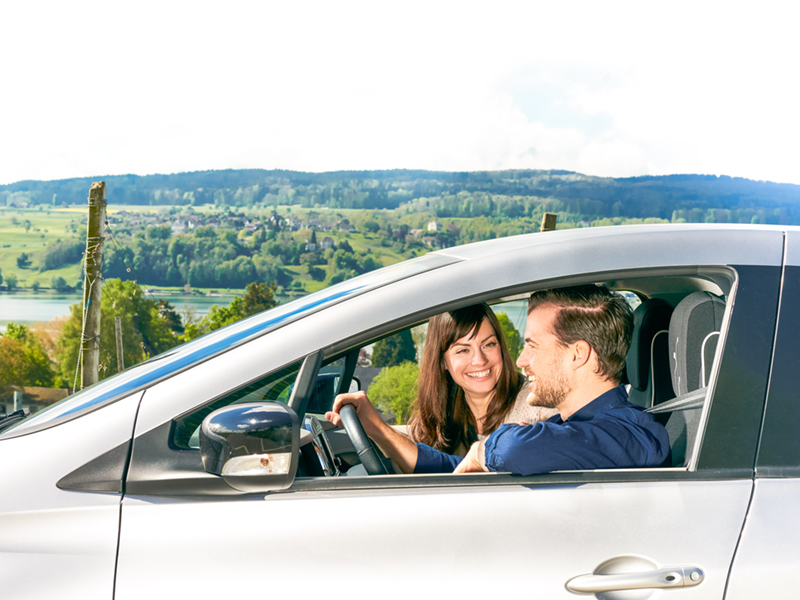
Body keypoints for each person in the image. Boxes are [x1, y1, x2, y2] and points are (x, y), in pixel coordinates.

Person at [453, 284, 671, 475]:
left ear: (578, 354)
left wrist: (482, 450)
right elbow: (482, 465)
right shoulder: (568, 428)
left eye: (533, 346)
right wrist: (421, 456)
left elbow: (512, 449)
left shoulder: (632, 435)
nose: (521, 360)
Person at [326, 303, 555, 473]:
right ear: (443, 361)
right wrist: (371, 428)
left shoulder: (535, 403)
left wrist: (379, 428)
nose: (480, 360)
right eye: (462, 350)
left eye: (489, 344)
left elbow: (464, 472)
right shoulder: (444, 410)